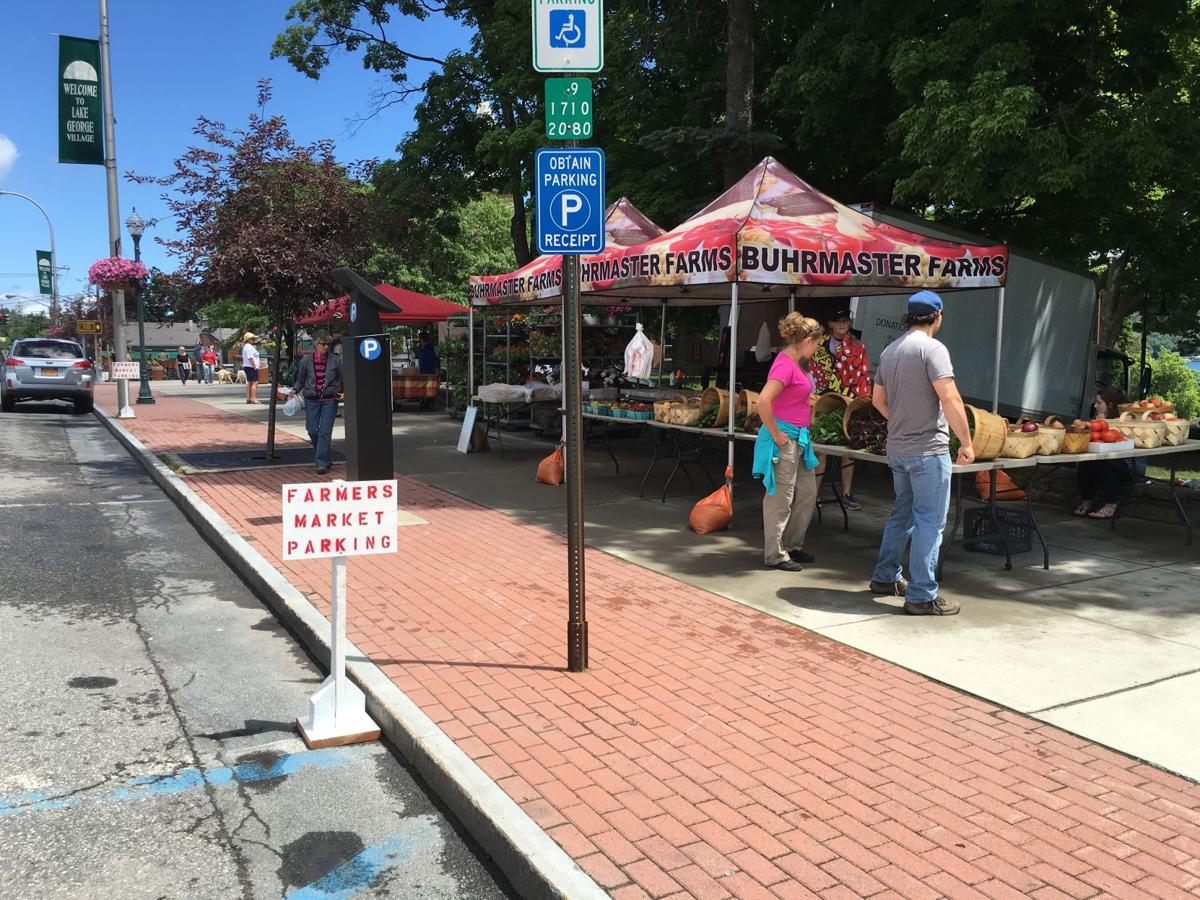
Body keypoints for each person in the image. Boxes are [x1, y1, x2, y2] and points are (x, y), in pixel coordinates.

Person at [869, 290, 973, 615]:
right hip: (928, 451)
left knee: (902, 513)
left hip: (898, 449)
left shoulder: (890, 351)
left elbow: (877, 401)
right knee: (930, 522)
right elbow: (951, 399)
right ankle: (922, 595)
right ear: (937, 316)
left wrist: (899, 421)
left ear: (908, 317)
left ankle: (885, 577)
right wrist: (966, 443)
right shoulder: (933, 349)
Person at [752, 313, 823, 571]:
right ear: (806, 341)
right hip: (785, 439)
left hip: (799, 438)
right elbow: (762, 401)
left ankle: (792, 545)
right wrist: (776, 434)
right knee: (781, 497)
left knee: (807, 492)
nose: (816, 349)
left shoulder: (795, 364)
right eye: (816, 343)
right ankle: (775, 554)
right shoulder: (784, 365)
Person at [811, 308, 872, 510]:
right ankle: (814, 493)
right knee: (820, 449)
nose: (842, 324)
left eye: (845, 320)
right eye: (838, 321)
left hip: (848, 401)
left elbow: (863, 374)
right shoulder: (819, 345)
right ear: (830, 323)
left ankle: (847, 493)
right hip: (824, 400)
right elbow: (812, 370)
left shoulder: (857, 346)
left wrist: (862, 402)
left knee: (849, 448)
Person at [1074, 386, 1132, 519]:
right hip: (1107, 462)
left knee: (1104, 462)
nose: (1095, 406)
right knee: (1085, 462)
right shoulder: (1099, 420)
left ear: (1110, 405)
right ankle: (1086, 501)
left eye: (1099, 403)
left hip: (1128, 466)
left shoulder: (1124, 421)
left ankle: (1110, 504)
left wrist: (1104, 424)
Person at [290, 332, 343, 474]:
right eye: (322, 344)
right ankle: (325, 456)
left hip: (330, 400)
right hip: (311, 400)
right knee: (312, 430)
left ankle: (321, 463)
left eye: (328, 345)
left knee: (325, 431)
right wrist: (295, 390)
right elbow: (300, 380)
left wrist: (344, 392)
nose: (325, 347)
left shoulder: (336, 360)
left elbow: (344, 377)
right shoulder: (306, 360)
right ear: (315, 344)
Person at [241, 333, 261, 404]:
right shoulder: (249, 347)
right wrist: (254, 366)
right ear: (248, 339)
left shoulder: (246, 346)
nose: (254, 339)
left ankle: (248, 398)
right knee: (254, 382)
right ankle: (253, 398)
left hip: (247, 366)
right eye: (252, 338)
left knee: (249, 382)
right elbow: (250, 357)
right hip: (251, 366)